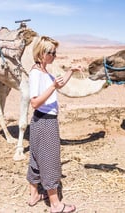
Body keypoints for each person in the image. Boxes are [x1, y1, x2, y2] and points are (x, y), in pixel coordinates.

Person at [26, 36, 78, 213]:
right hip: (44, 122)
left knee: (36, 158)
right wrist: (53, 87)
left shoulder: (44, 71)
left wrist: (71, 71)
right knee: (49, 161)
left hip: (42, 121)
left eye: (55, 52)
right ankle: (56, 205)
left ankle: (34, 196)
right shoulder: (35, 74)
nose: (55, 56)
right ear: (42, 53)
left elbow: (58, 85)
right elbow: (34, 102)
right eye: (52, 53)